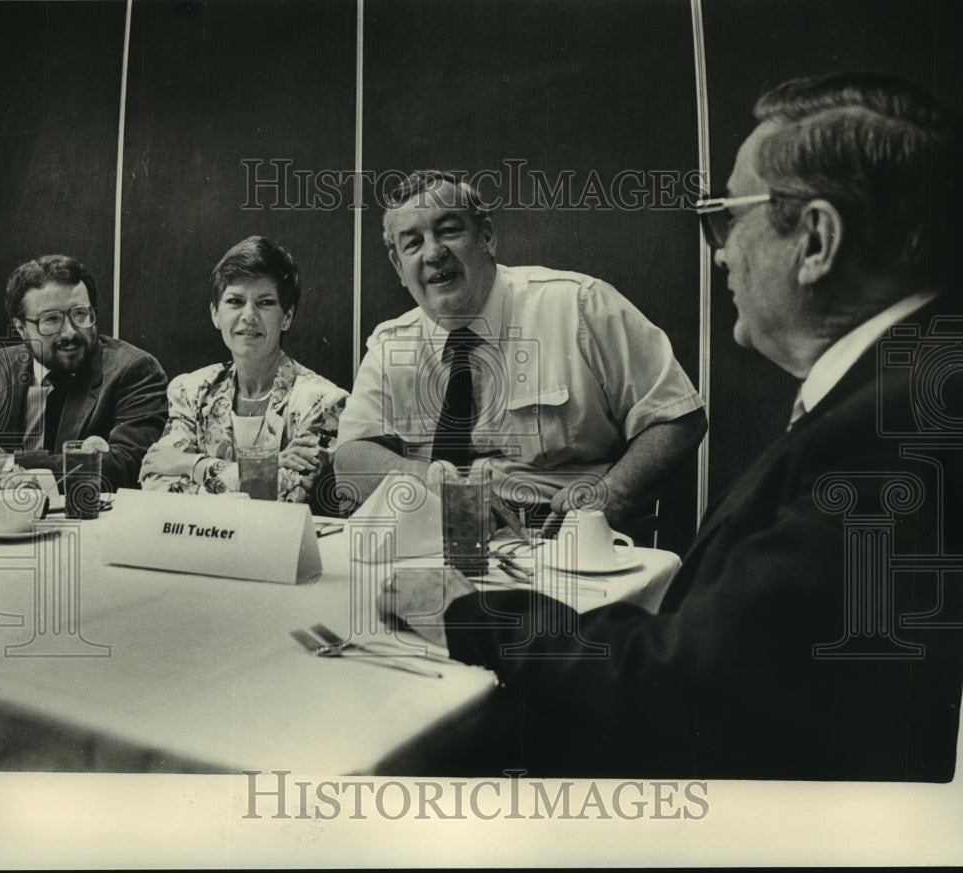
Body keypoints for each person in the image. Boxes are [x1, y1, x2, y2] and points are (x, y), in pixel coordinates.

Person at [378, 73, 963, 780]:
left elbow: (692, 683)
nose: (719, 251)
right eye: (410, 242)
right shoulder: (908, 386)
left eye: (726, 217)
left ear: (816, 240)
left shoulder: (893, 430)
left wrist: (467, 615)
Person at [334, 170, 707, 532]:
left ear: (487, 238)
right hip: (436, 535)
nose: (433, 253)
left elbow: (676, 417)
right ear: (398, 267)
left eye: (449, 230)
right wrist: (434, 482)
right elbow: (351, 460)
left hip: (560, 536)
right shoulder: (389, 344)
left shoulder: (579, 305)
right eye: (412, 243)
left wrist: (612, 495)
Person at [139, 236, 347, 503]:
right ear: (215, 313)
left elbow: (284, 495)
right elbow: (156, 481)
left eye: (265, 302)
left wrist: (193, 466)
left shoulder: (324, 403)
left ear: (287, 317)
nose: (249, 315)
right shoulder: (191, 390)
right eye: (235, 301)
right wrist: (270, 466)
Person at [0, 254, 168, 490]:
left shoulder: (134, 370)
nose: (70, 332)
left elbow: (126, 466)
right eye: (51, 319)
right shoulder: (2, 365)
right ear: (21, 328)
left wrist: (7, 465)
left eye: (80, 314)